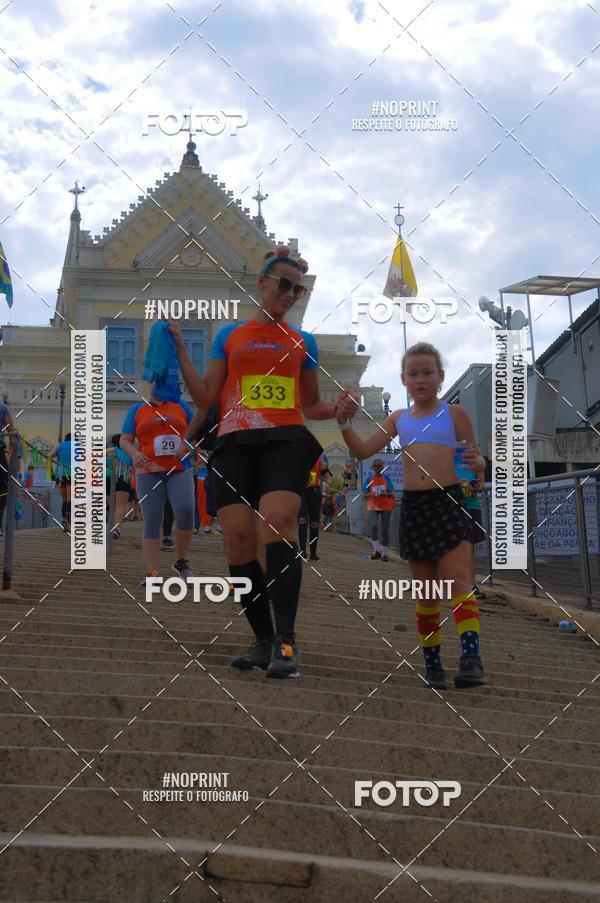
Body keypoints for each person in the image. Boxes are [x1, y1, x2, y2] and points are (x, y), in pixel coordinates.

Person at [170, 245, 345, 679]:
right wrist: (181, 349)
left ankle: (286, 642)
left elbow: (311, 405)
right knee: (237, 540)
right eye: (284, 284)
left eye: (298, 289)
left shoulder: (303, 342)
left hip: (285, 438)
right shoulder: (229, 336)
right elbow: (206, 397)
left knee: (278, 523)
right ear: (262, 283)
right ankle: (263, 639)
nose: (290, 293)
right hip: (234, 441)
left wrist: (339, 409)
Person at [336, 341, 487, 691]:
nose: (420, 380)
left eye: (427, 373)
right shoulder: (398, 419)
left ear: (440, 376)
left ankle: (471, 659)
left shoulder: (455, 414)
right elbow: (362, 450)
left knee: (458, 581)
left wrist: (479, 469)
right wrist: (343, 422)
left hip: (450, 502)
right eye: (413, 373)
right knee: (427, 592)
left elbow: (474, 467)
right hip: (415, 507)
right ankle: (433, 664)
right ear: (403, 379)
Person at [119, 385, 195, 588]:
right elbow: (124, 440)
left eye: (162, 379)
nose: (158, 384)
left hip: (179, 468)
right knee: (152, 519)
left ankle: (180, 562)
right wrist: (134, 453)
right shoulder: (137, 409)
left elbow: (197, 428)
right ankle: (153, 572)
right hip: (148, 471)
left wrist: (189, 445)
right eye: (154, 380)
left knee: (186, 509)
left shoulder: (180, 405)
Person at [362, 458, 395, 562]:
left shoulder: (387, 478)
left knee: (385, 529)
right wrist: (371, 494)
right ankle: (377, 550)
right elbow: (364, 494)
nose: (378, 467)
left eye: (379, 465)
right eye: (375, 466)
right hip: (373, 505)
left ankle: (385, 553)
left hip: (386, 505)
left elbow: (391, 492)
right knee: (374, 525)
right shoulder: (369, 479)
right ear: (373, 467)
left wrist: (384, 494)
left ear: (382, 467)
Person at [298, 456, 328, 561]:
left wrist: (327, 482)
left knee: (314, 524)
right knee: (302, 521)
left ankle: (313, 553)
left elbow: (326, 474)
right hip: (302, 492)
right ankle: (302, 551)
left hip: (314, 492)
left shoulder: (319, 460)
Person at [105, 433, 133, 540]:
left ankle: (107, 526)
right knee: (120, 506)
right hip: (124, 478)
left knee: (109, 505)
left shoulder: (110, 451)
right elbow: (134, 468)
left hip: (109, 478)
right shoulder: (129, 453)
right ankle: (116, 529)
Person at [49, 432, 73, 532]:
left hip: (60, 475)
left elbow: (49, 456)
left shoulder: (59, 446)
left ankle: (65, 521)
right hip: (73, 474)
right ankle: (68, 521)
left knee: (65, 500)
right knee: (71, 500)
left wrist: (51, 472)